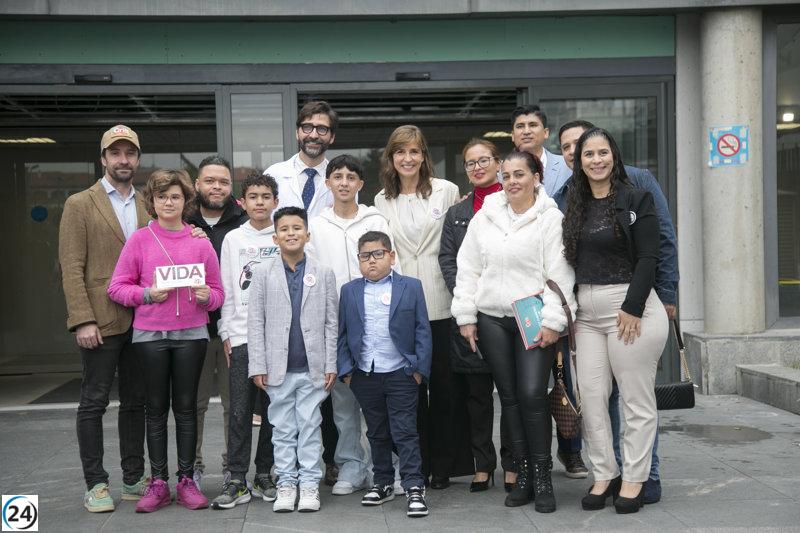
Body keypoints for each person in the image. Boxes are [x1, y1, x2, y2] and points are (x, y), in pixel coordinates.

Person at [555, 119, 678, 503]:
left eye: (602, 152)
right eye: (587, 154)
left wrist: (634, 306)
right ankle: (604, 474)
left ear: (614, 156)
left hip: (631, 307)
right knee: (591, 397)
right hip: (586, 314)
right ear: (578, 161)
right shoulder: (572, 201)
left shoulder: (635, 197)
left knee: (635, 399)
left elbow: (650, 256)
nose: (595, 159)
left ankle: (636, 480)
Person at [452, 150, 576, 513]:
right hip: (491, 317)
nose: (512, 182)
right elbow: (468, 268)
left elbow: (561, 274)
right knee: (507, 398)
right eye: (506, 176)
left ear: (536, 177)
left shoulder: (551, 219)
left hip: (533, 318)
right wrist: (466, 316)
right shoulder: (485, 216)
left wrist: (554, 322)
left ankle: (542, 477)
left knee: (532, 393)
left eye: (519, 174)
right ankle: (521, 475)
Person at [108, 169, 224, 513]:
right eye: (162, 197)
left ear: (185, 200)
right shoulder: (140, 240)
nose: (168, 202)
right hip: (150, 335)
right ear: (152, 202)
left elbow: (219, 294)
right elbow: (117, 287)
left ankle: (187, 480)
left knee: (186, 409)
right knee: (155, 409)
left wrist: (205, 297)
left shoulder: (200, 240)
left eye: (175, 196)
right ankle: (158, 483)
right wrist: (146, 294)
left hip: (192, 333)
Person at [373, 125, 472, 489]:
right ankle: (418, 465)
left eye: (414, 151)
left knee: (445, 391)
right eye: (400, 152)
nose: (408, 159)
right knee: (409, 395)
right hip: (404, 308)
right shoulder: (382, 199)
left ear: (424, 156)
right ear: (391, 158)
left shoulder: (447, 191)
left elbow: (460, 242)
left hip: (443, 301)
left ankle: (444, 466)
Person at [59, 124, 149, 512]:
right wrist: (82, 319)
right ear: (104, 159)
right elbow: (71, 266)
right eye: (116, 153)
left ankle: (132, 479)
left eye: (130, 153)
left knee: (135, 403)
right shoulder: (80, 203)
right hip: (100, 319)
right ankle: (96, 483)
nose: (123, 160)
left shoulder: (148, 203)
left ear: (137, 159)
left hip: (144, 319)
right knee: (93, 402)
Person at [307, 154, 396, 495]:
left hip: (376, 318)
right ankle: (350, 465)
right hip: (336, 321)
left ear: (360, 184)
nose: (343, 182)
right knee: (343, 402)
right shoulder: (315, 225)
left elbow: (392, 264)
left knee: (379, 402)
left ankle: (383, 466)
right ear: (328, 183)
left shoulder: (376, 219)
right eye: (337, 176)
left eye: (350, 177)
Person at [264, 100, 340, 484]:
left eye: (322, 129)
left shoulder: (340, 176)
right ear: (298, 132)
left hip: (323, 287)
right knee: (284, 391)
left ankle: (327, 463)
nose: (314, 134)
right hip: (281, 282)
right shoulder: (275, 174)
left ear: (331, 136)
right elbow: (264, 226)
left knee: (321, 383)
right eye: (308, 127)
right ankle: (282, 471)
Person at [247, 206, 338, 513]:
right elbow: (255, 322)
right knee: (283, 429)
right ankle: (287, 482)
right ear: (275, 236)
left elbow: (331, 323)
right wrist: (257, 365)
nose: (291, 233)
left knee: (311, 427)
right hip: (277, 369)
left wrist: (331, 364)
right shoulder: (262, 272)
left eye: (297, 228)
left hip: (313, 368)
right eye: (284, 229)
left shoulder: (323, 272)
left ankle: (310, 483)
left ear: (307, 234)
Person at [337, 231, 432, 518]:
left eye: (378, 254)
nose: (372, 261)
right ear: (358, 261)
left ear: (391, 256)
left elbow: (422, 331)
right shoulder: (350, 290)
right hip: (366, 373)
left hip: (401, 372)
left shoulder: (411, 287)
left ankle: (414, 485)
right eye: (365, 256)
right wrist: (347, 373)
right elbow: (342, 334)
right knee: (376, 432)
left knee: (404, 431)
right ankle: (383, 482)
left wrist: (418, 370)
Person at [437, 138, 511, 492]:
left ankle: (514, 463)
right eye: (470, 163)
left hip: (510, 315)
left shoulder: (515, 202)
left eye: (484, 160)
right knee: (478, 397)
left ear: (498, 163)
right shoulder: (457, 213)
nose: (478, 167)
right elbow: (448, 260)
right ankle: (484, 465)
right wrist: (472, 299)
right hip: (470, 315)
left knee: (512, 395)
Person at [211, 173, 280, 509]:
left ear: (275, 202)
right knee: (239, 411)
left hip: (278, 337)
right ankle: (236, 476)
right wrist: (226, 331)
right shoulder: (234, 240)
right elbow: (225, 287)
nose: (260, 202)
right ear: (242, 202)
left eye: (266, 196)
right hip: (241, 336)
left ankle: (264, 472)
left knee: (272, 411)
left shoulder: (285, 234)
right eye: (253, 196)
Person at [185, 155, 248, 488]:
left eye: (223, 181)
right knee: (192, 405)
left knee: (233, 405)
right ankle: (191, 467)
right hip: (190, 328)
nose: (216, 187)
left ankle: (232, 467)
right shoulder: (182, 218)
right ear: (197, 184)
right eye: (210, 180)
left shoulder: (244, 221)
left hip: (233, 329)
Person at [510, 104, 572, 197]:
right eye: (520, 126)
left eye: (533, 125)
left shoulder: (567, 165)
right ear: (513, 135)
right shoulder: (502, 173)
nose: (526, 131)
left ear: (546, 133)